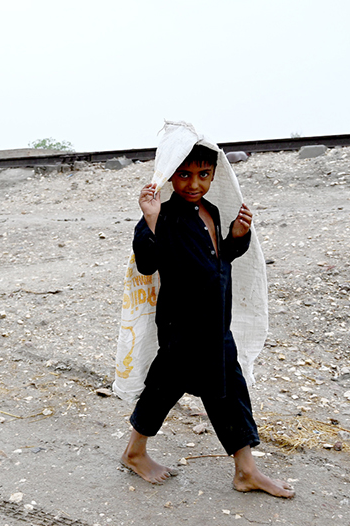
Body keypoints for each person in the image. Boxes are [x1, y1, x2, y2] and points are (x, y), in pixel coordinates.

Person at [120, 143, 295, 498]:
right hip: (182, 326)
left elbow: (216, 262)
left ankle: (245, 470)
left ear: (214, 175)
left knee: (226, 388)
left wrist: (236, 239)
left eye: (203, 175)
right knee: (167, 387)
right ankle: (136, 452)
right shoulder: (163, 214)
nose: (193, 184)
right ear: (171, 175)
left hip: (215, 323)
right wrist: (151, 220)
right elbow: (148, 263)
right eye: (184, 175)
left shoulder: (210, 210)